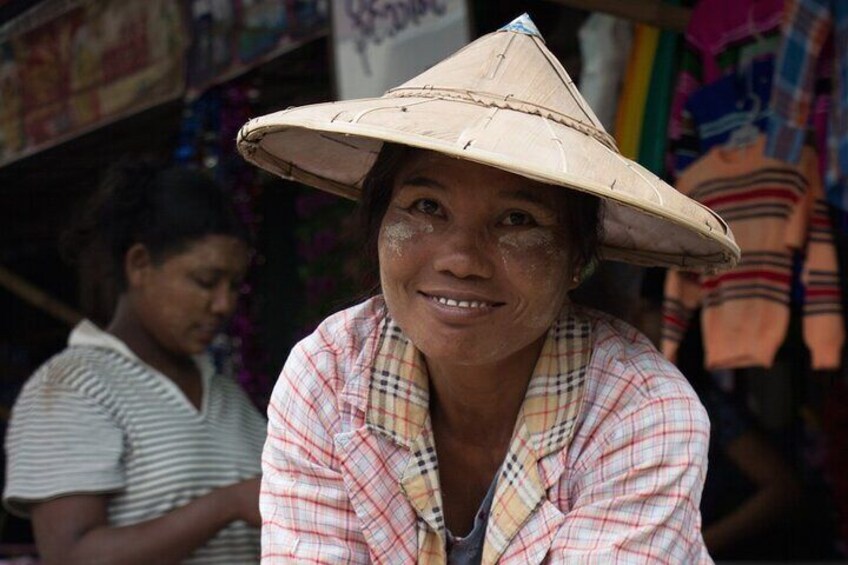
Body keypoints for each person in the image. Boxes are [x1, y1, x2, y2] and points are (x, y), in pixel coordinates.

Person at [239, 14, 740, 564]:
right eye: (427, 208)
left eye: (517, 220)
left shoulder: (637, 409)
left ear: (577, 258)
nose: (461, 260)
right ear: (379, 223)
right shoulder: (330, 378)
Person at [3, 161, 267, 564]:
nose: (224, 304)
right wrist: (227, 504)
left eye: (234, 285)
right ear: (140, 264)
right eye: (206, 281)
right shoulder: (69, 388)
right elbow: (72, 556)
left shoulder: (229, 397)